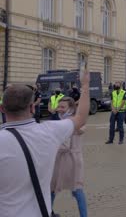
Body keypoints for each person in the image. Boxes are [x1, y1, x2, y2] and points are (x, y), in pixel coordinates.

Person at [0, 71, 89, 217]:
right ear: (32, 108)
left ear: (2, 109)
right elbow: (81, 117)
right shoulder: (50, 130)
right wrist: (85, 85)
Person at [50, 97, 88, 217]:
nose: (59, 109)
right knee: (75, 189)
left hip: (67, 159)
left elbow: (64, 146)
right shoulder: (73, 121)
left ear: (70, 109)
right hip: (69, 159)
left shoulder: (67, 123)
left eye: (62, 107)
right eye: (58, 106)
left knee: (54, 188)